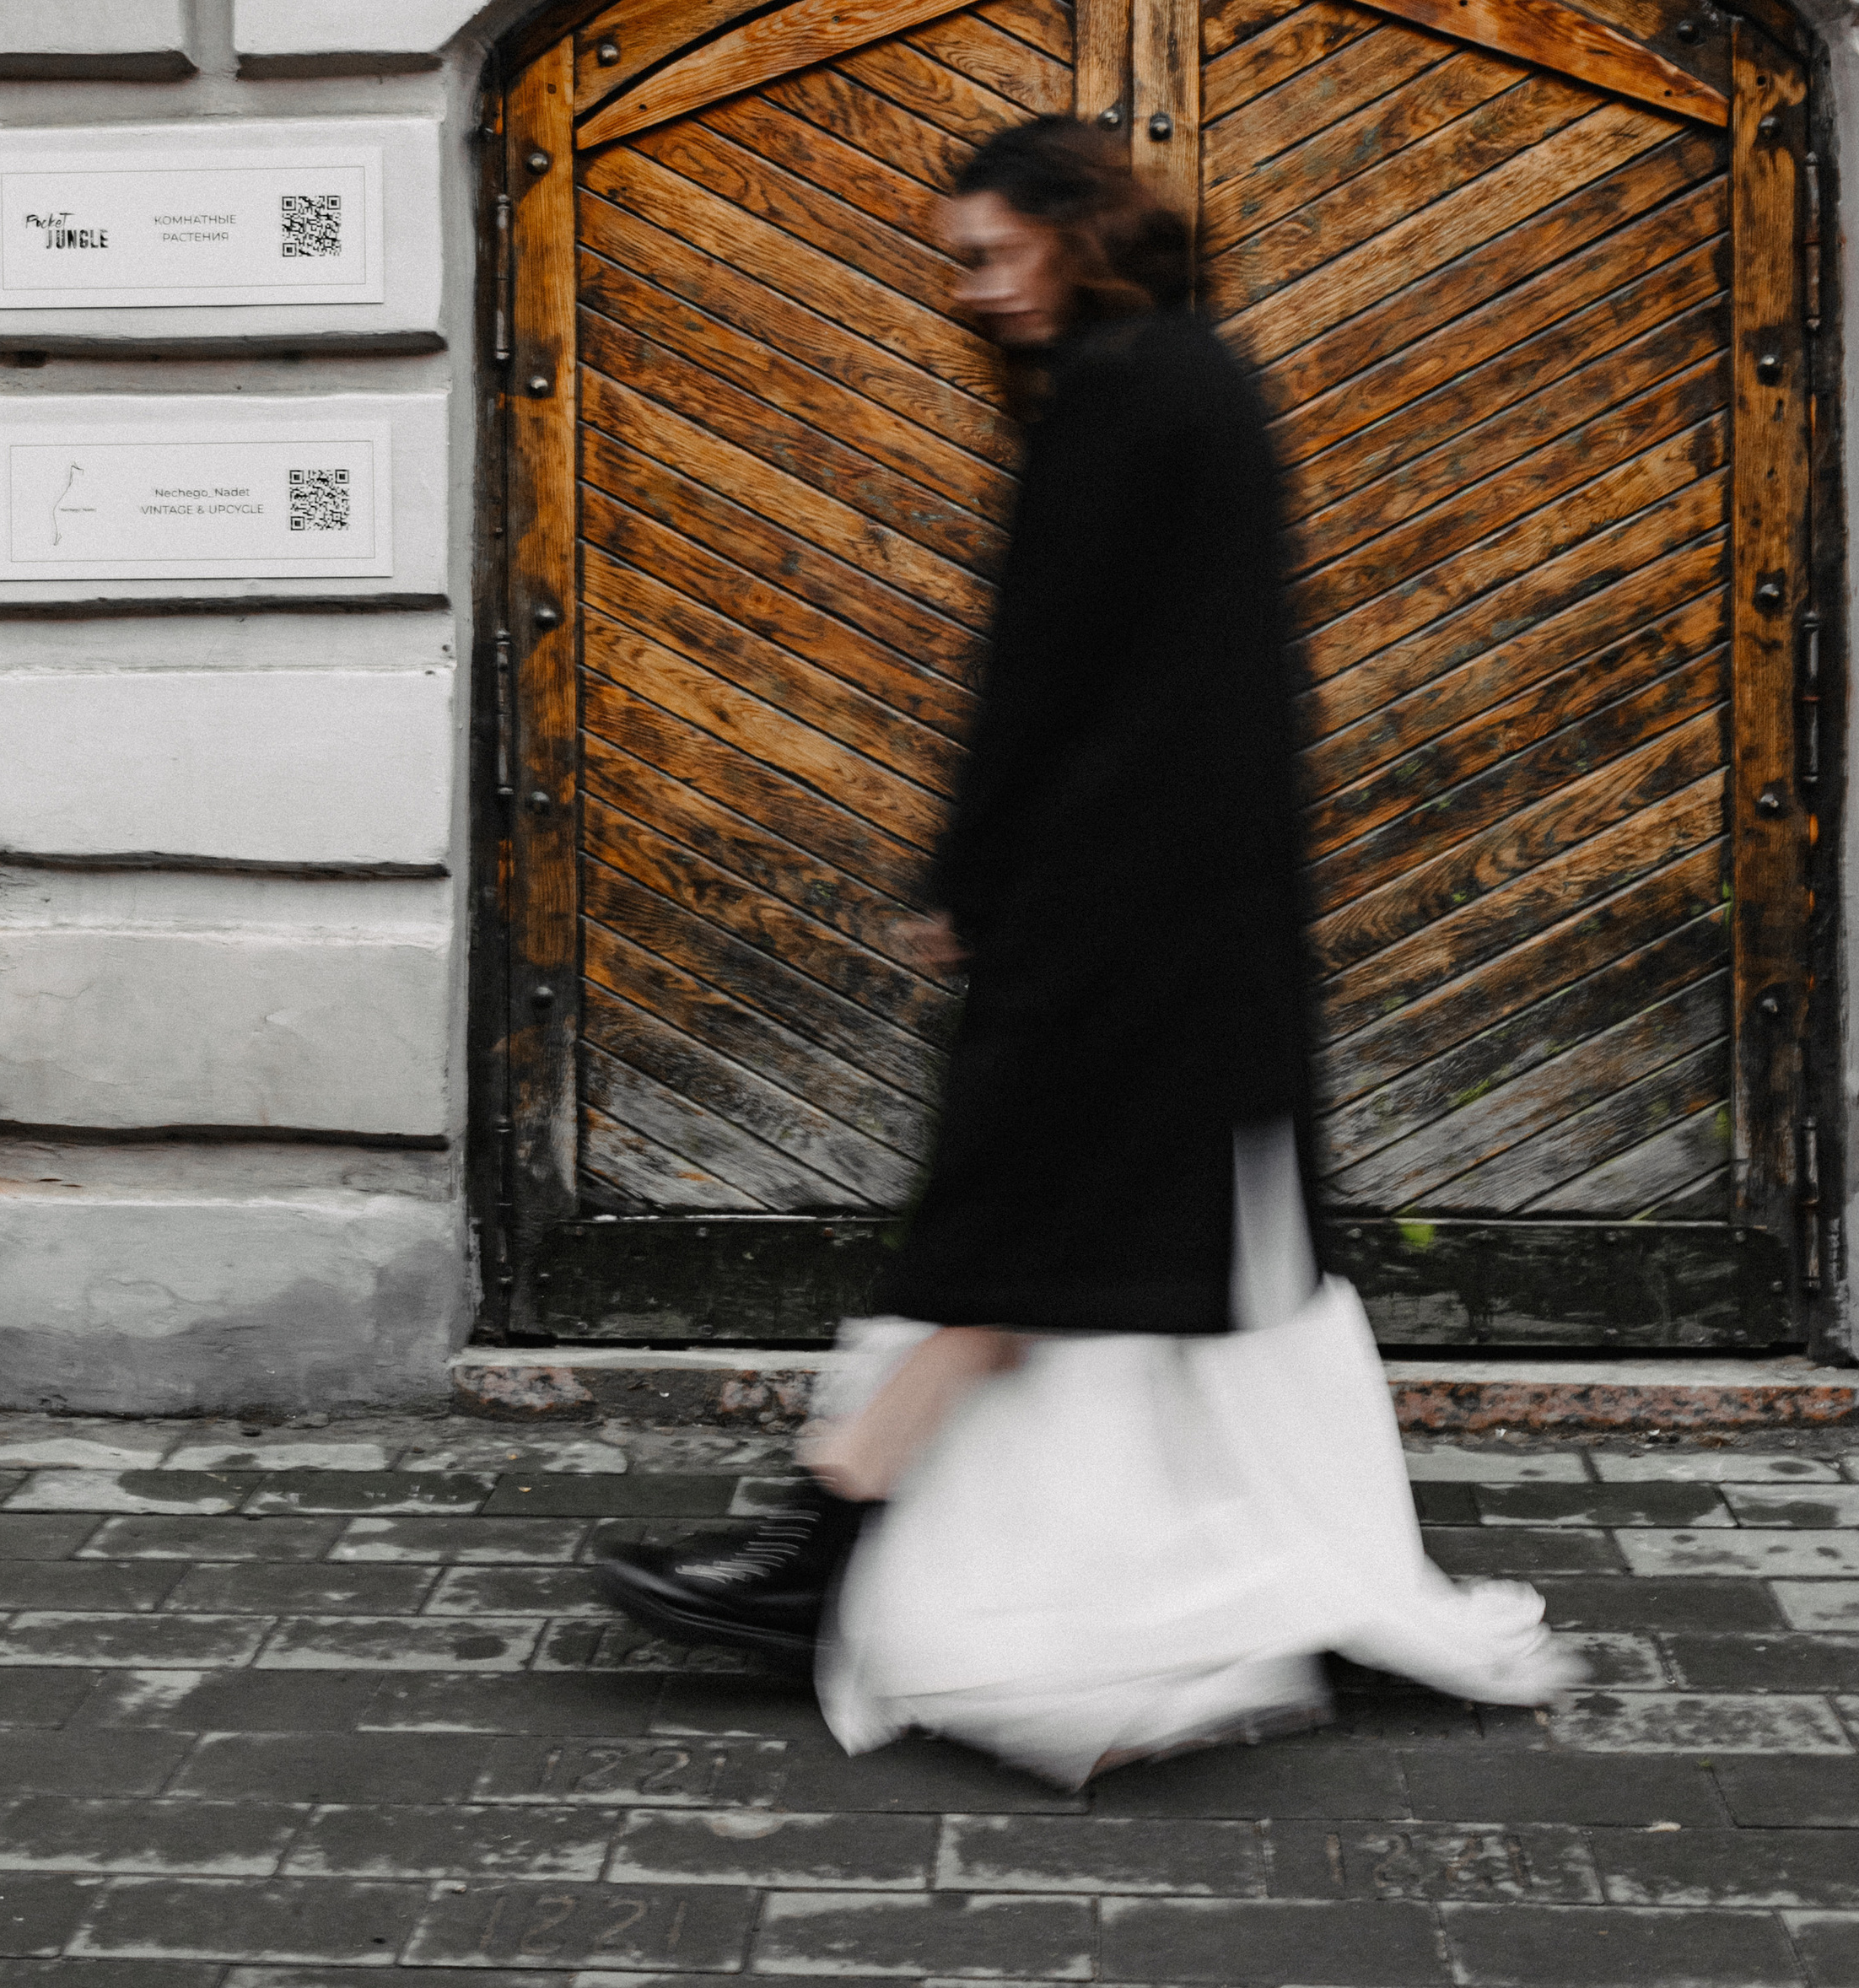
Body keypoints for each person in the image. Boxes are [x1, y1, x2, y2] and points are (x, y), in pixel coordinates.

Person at [596, 117, 1576, 1781]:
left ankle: (813, 1561)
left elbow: (1040, 677)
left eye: (985, 257)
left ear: (1072, 232)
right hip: (1183, 920)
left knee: (999, 1251)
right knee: (1060, 1266)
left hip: (1109, 921)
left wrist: (966, 876)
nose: (968, 298)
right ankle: (860, 1556)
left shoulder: (1120, 396)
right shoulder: (1204, 380)